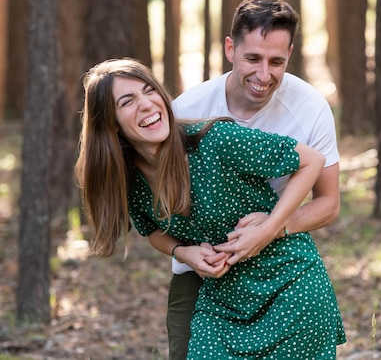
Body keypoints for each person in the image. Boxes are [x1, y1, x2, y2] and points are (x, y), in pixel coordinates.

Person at [74, 58, 346, 358]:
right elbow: (152, 231)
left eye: (149, 91)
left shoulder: (215, 139)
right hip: (222, 299)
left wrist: (270, 228)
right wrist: (183, 252)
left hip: (290, 286)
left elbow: (311, 160)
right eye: (127, 101)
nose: (147, 104)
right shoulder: (127, 178)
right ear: (110, 123)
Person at [164, 0, 343, 358]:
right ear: (230, 49)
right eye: (253, 58)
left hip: (279, 269)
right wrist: (185, 251)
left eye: (277, 61)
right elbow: (160, 211)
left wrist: (271, 228)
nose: (264, 75)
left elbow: (329, 203)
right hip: (202, 271)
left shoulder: (310, 108)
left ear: (289, 54)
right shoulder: (187, 109)